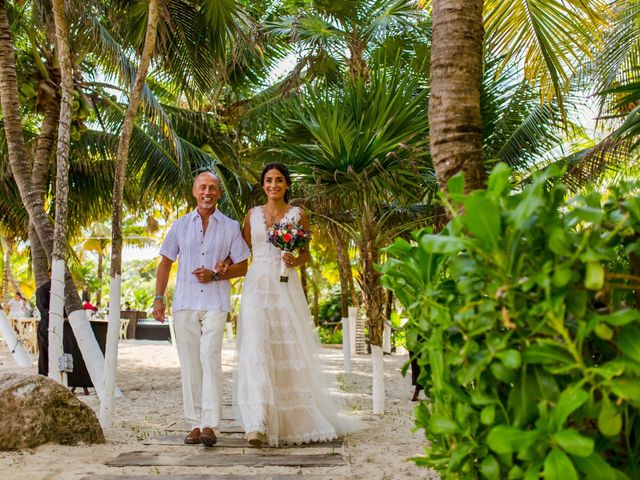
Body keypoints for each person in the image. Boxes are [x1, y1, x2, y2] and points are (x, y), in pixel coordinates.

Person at [232, 162, 351, 447]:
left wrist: (292, 259)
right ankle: (256, 422)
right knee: (256, 346)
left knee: (287, 345)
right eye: (269, 180)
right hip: (256, 285)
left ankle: (290, 420)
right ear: (263, 185)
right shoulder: (252, 215)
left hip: (285, 284)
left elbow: (305, 255)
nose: (274, 185)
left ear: (287, 185)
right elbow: (241, 252)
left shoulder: (299, 214)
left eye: (279, 180)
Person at [152, 171, 250, 447]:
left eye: (213, 188)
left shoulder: (229, 226)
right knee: (190, 363)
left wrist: (217, 275)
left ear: (219, 194)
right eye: (203, 187)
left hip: (216, 302)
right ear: (195, 192)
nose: (208, 192)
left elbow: (243, 264)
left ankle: (210, 425)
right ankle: (194, 423)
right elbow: (165, 262)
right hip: (184, 302)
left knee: (209, 358)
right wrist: (159, 298)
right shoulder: (180, 225)